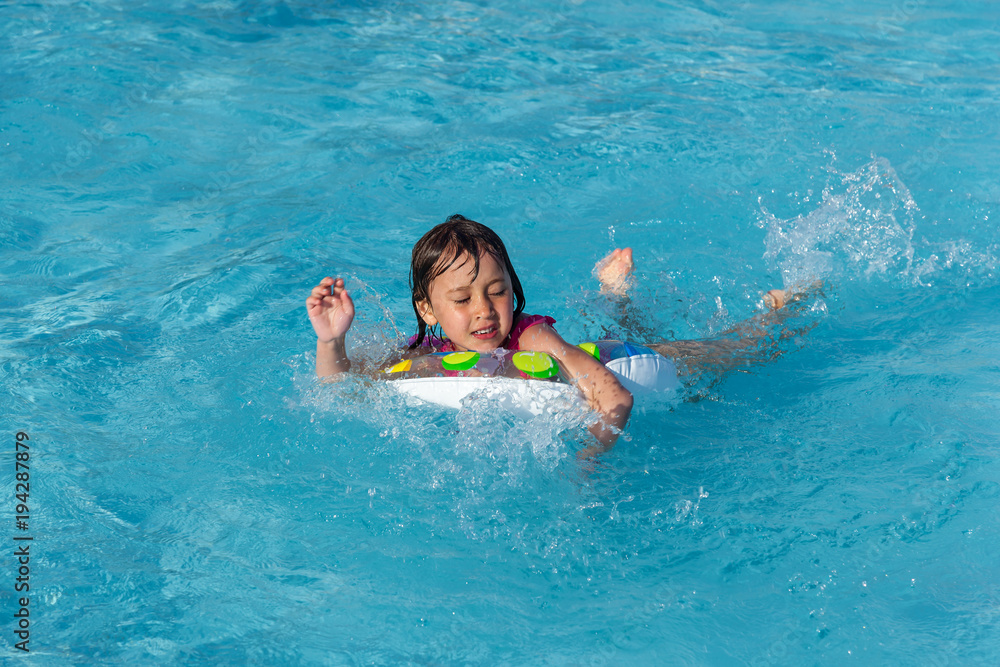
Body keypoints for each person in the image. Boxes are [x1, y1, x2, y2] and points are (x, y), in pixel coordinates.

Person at [306, 214, 813, 455]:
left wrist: (593, 459)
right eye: (461, 300)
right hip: (590, 356)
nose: (484, 311)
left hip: (635, 362)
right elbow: (343, 391)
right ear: (428, 309)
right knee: (622, 323)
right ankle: (617, 294)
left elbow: (612, 394)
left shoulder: (530, 338)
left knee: (742, 354)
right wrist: (332, 341)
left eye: (498, 291)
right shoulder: (422, 354)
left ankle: (780, 307)